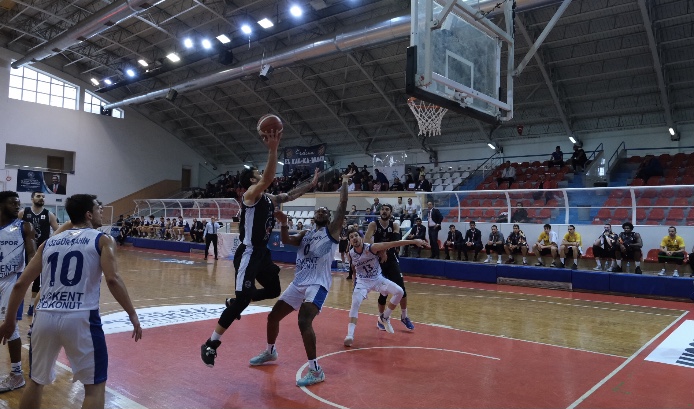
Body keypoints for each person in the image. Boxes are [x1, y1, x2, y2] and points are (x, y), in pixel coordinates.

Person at [0, 193, 142, 406]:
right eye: (98, 208)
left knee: (35, 382)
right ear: (88, 214)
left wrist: (10, 321)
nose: (101, 212)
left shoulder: (48, 243)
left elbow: (21, 284)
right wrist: (132, 313)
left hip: (44, 318)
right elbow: (113, 279)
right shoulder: (103, 239)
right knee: (94, 388)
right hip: (81, 317)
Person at [200, 128, 320, 368]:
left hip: (261, 253)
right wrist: (273, 149)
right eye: (258, 173)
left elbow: (290, 195)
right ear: (253, 181)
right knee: (243, 301)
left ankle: (235, 302)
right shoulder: (250, 195)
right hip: (248, 253)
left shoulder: (267, 198)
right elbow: (269, 178)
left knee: (274, 289)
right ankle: (211, 343)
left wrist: (311, 184)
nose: (261, 174)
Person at [246, 170, 353, 387]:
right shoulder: (306, 234)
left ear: (329, 218)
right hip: (298, 283)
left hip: (317, 284)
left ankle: (316, 370)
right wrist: (284, 223)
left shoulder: (331, 232)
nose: (321, 212)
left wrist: (343, 182)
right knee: (273, 317)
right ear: (314, 217)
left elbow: (342, 205)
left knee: (304, 321)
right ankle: (270, 351)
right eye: (318, 211)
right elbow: (286, 240)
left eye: (325, 211)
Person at [344, 227, 429, 346]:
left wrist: (414, 241)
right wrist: (354, 279)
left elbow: (393, 243)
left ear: (361, 238)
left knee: (399, 291)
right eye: (351, 237)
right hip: (362, 282)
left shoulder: (371, 248)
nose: (354, 238)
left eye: (356, 235)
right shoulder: (350, 254)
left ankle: (384, 317)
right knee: (355, 304)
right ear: (350, 241)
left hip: (377, 279)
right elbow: (353, 267)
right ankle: (350, 335)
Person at [0, 191, 37, 393]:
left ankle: (17, 375)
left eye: (18, 203)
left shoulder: (24, 226)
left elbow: (32, 254)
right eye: (12, 203)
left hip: (12, 280)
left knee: (10, 326)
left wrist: (28, 280)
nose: (17, 206)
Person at [365, 204, 416, 331]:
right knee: (383, 293)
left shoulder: (395, 225)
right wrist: (380, 250)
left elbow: (396, 241)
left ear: (391, 213)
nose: (384, 211)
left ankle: (404, 316)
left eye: (387, 209)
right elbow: (366, 240)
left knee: (402, 289)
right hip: (379, 261)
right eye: (382, 209)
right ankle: (381, 318)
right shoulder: (374, 224)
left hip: (391, 259)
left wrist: (384, 249)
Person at [18, 191, 59, 318]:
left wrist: (52, 241)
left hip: (42, 251)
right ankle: (16, 304)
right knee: (21, 279)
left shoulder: (49, 214)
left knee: (38, 280)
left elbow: (58, 231)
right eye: (38, 196)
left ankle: (32, 305)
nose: (41, 198)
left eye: (43, 196)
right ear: (32, 198)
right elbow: (15, 229)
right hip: (24, 251)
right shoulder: (23, 213)